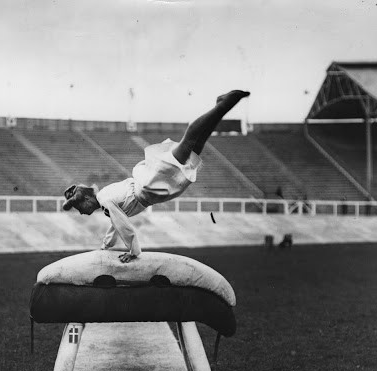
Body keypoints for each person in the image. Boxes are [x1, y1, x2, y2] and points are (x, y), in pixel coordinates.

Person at [62, 90, 250, 263]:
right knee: (195, 148)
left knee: (189, 142)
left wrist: (133, 252)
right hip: (149, 190)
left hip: (148, 185)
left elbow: (123, 225)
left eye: (79, 207)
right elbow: (116, 224)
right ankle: (221, 108)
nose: (81, 212)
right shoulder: (105, 201)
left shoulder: (104, 199)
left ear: (87, 198)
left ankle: (222, 106)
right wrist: (105, 247)